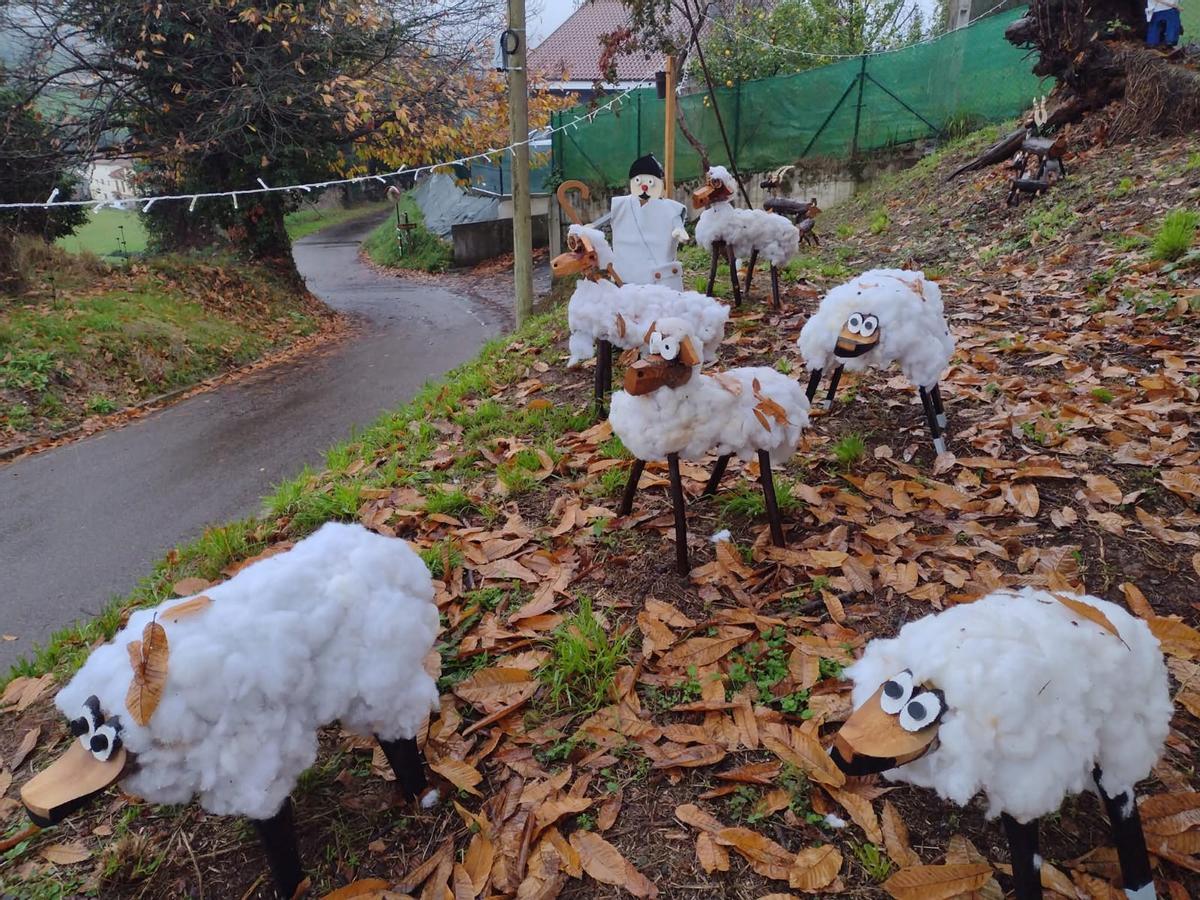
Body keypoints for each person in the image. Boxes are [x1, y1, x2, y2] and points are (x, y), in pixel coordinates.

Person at [603, 154, 690, 290]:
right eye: (638, 181)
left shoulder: (669, 208)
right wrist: (589, 228)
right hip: (625, 273)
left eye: (650, 182)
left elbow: (677, 223)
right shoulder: (621, 205)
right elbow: (604, 220)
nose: (644, 187)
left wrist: (679, 230)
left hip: (657, 278)